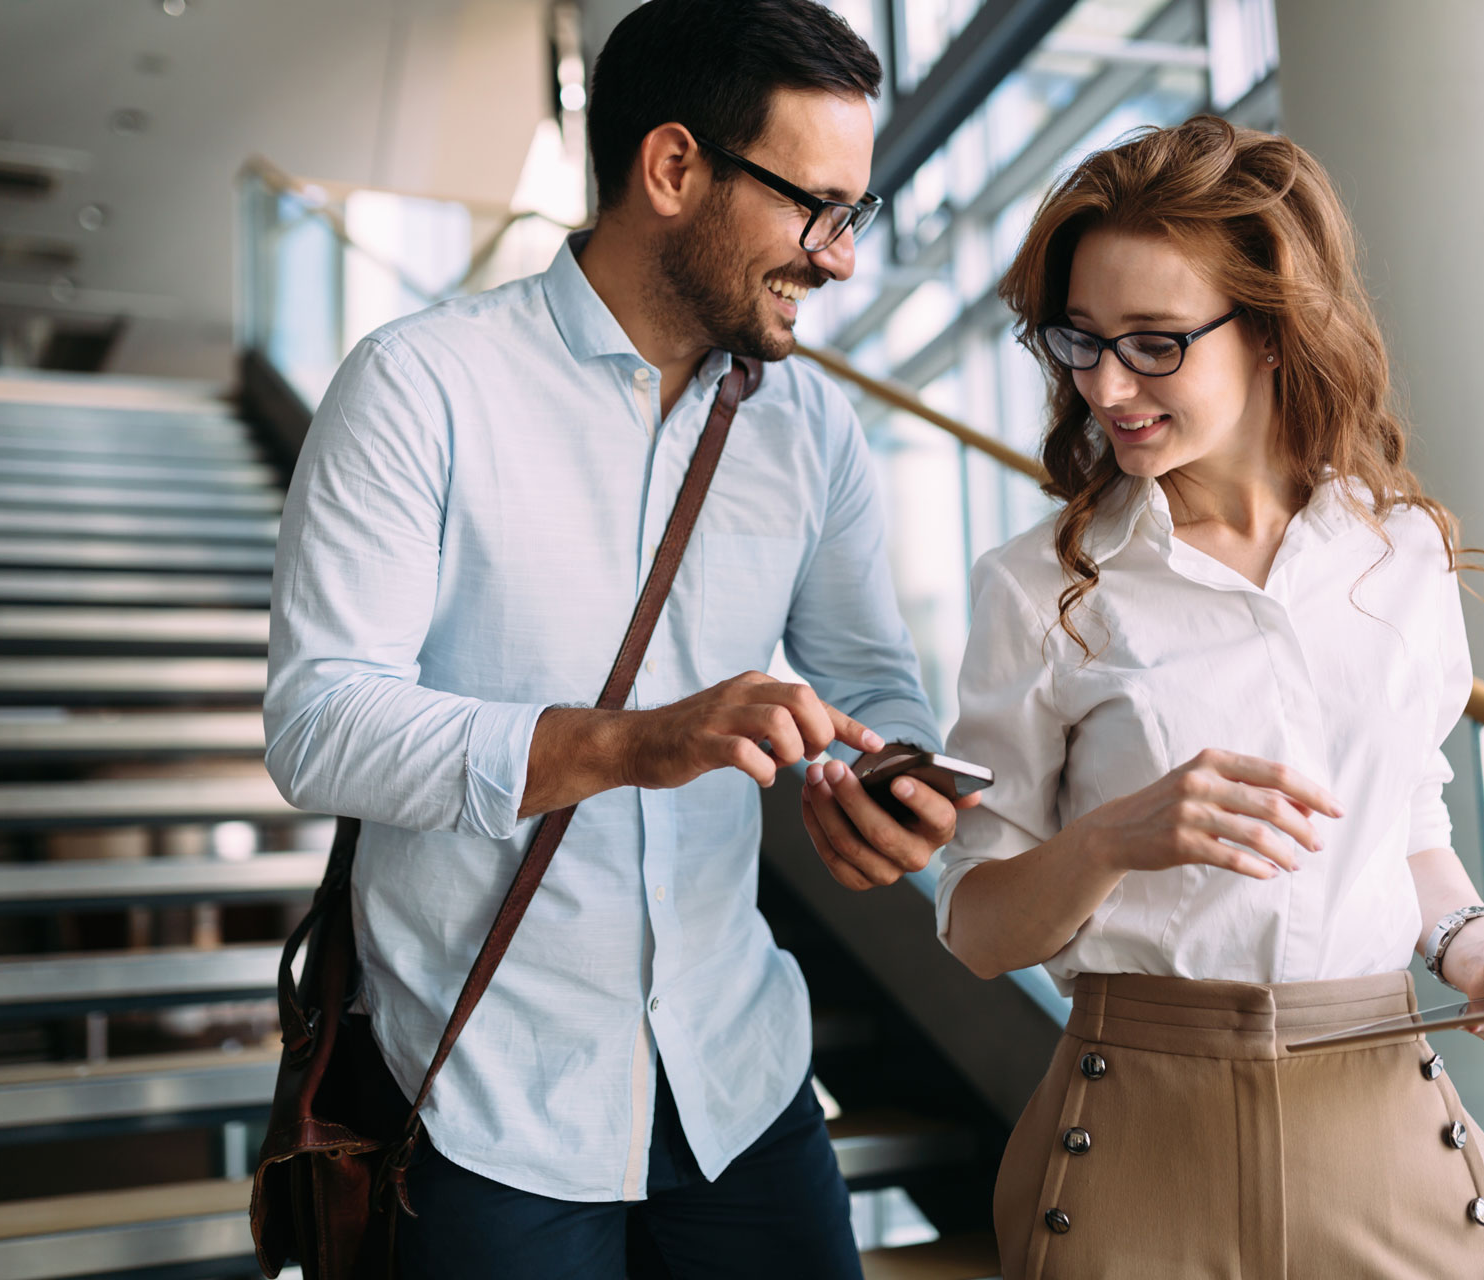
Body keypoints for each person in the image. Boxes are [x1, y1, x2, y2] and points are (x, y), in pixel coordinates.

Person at [264, 3, 974, 1275]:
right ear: (671, 168)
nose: (840, 259)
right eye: (817, 207)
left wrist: (893, 783)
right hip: (487, 1096)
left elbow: (876, 681)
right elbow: (321, 721)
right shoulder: (421, 385)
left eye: (852, 215)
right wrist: (628, 744)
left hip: (738, 1080)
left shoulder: (810, 431)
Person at [935, 116, 1484, 1280]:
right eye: (1080, 339)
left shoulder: (1396, 555)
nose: (1106, 383)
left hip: (1381, 1116)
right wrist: (1115, 835)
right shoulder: (1039, 588)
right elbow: (977, 925)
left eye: (1155, 343)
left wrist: (1478, 948)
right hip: (1135, 1134)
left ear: (1270, 329)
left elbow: (1404, 829)